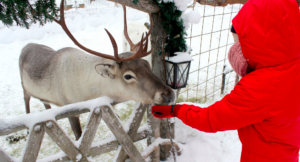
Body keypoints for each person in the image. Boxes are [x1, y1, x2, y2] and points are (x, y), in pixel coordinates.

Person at [152, 0, 300, 161]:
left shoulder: (261, 88)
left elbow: (211, 119)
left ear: (260, 43)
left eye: (242, 43)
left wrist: (177, 110)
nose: (238, 48)